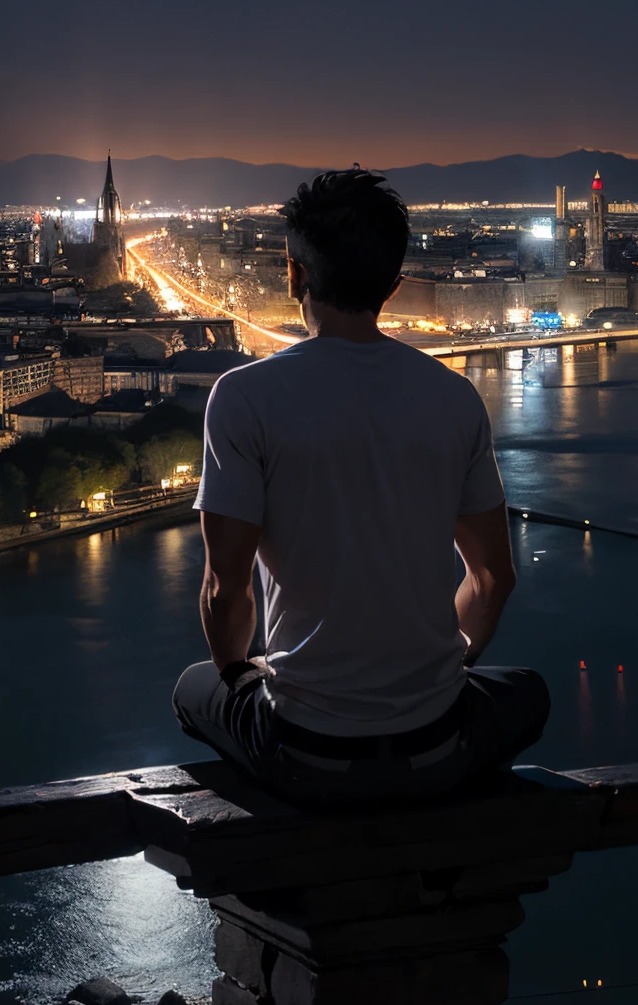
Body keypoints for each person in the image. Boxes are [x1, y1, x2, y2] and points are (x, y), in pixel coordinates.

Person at [173, 167, 549, 806]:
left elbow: (224, 589)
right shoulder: (455, 398)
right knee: (527, 693)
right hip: (436, 741)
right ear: (395, 286)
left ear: (294, 274)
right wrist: (443, 668)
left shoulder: (244, 398)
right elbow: (492, 580)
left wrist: (242, 677)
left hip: (306, 753)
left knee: (192, 689)